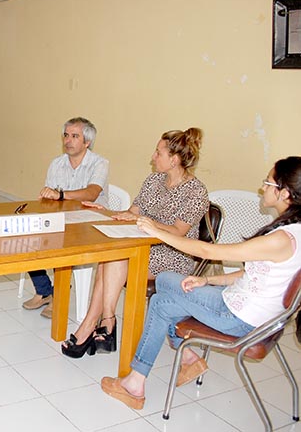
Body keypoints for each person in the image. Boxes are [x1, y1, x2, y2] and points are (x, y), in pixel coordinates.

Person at [101, 156, 301, 410]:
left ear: (284, 193)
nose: (263, 188)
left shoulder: (281, 239)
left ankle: (137, 383)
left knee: (162, 298)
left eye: (268, 182)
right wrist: (206, 279)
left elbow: (209, 252)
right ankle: (182, 359)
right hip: (247, 309)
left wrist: (156, 231)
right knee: (166, 286)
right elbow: (254, 275)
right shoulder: (295, 231)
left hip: (239, 317)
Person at [62, 128, 208, 358]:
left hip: (174, 253)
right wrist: (106, 212)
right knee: (112, 257)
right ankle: (104, 323)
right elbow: (131, 213)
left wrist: (147, 222)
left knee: (115, 259)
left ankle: (97, 325)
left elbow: (179, 233)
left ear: (174, 159)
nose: (153, 156)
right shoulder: (153, 181)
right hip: (143, 244)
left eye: (158, 152)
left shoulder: (196, 191)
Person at [23, 117, 109, 318]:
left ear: (87, 142)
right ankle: (45, 290)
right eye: (66, 135)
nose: (68, 140)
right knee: (26, 239)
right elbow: (49, 196)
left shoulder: (100, 163)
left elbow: (92, 193)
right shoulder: (57, 163)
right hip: (63, 218)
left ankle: (60, 296)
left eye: (75, 136)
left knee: (61, 244)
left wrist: (61, 195)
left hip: (90, 222)